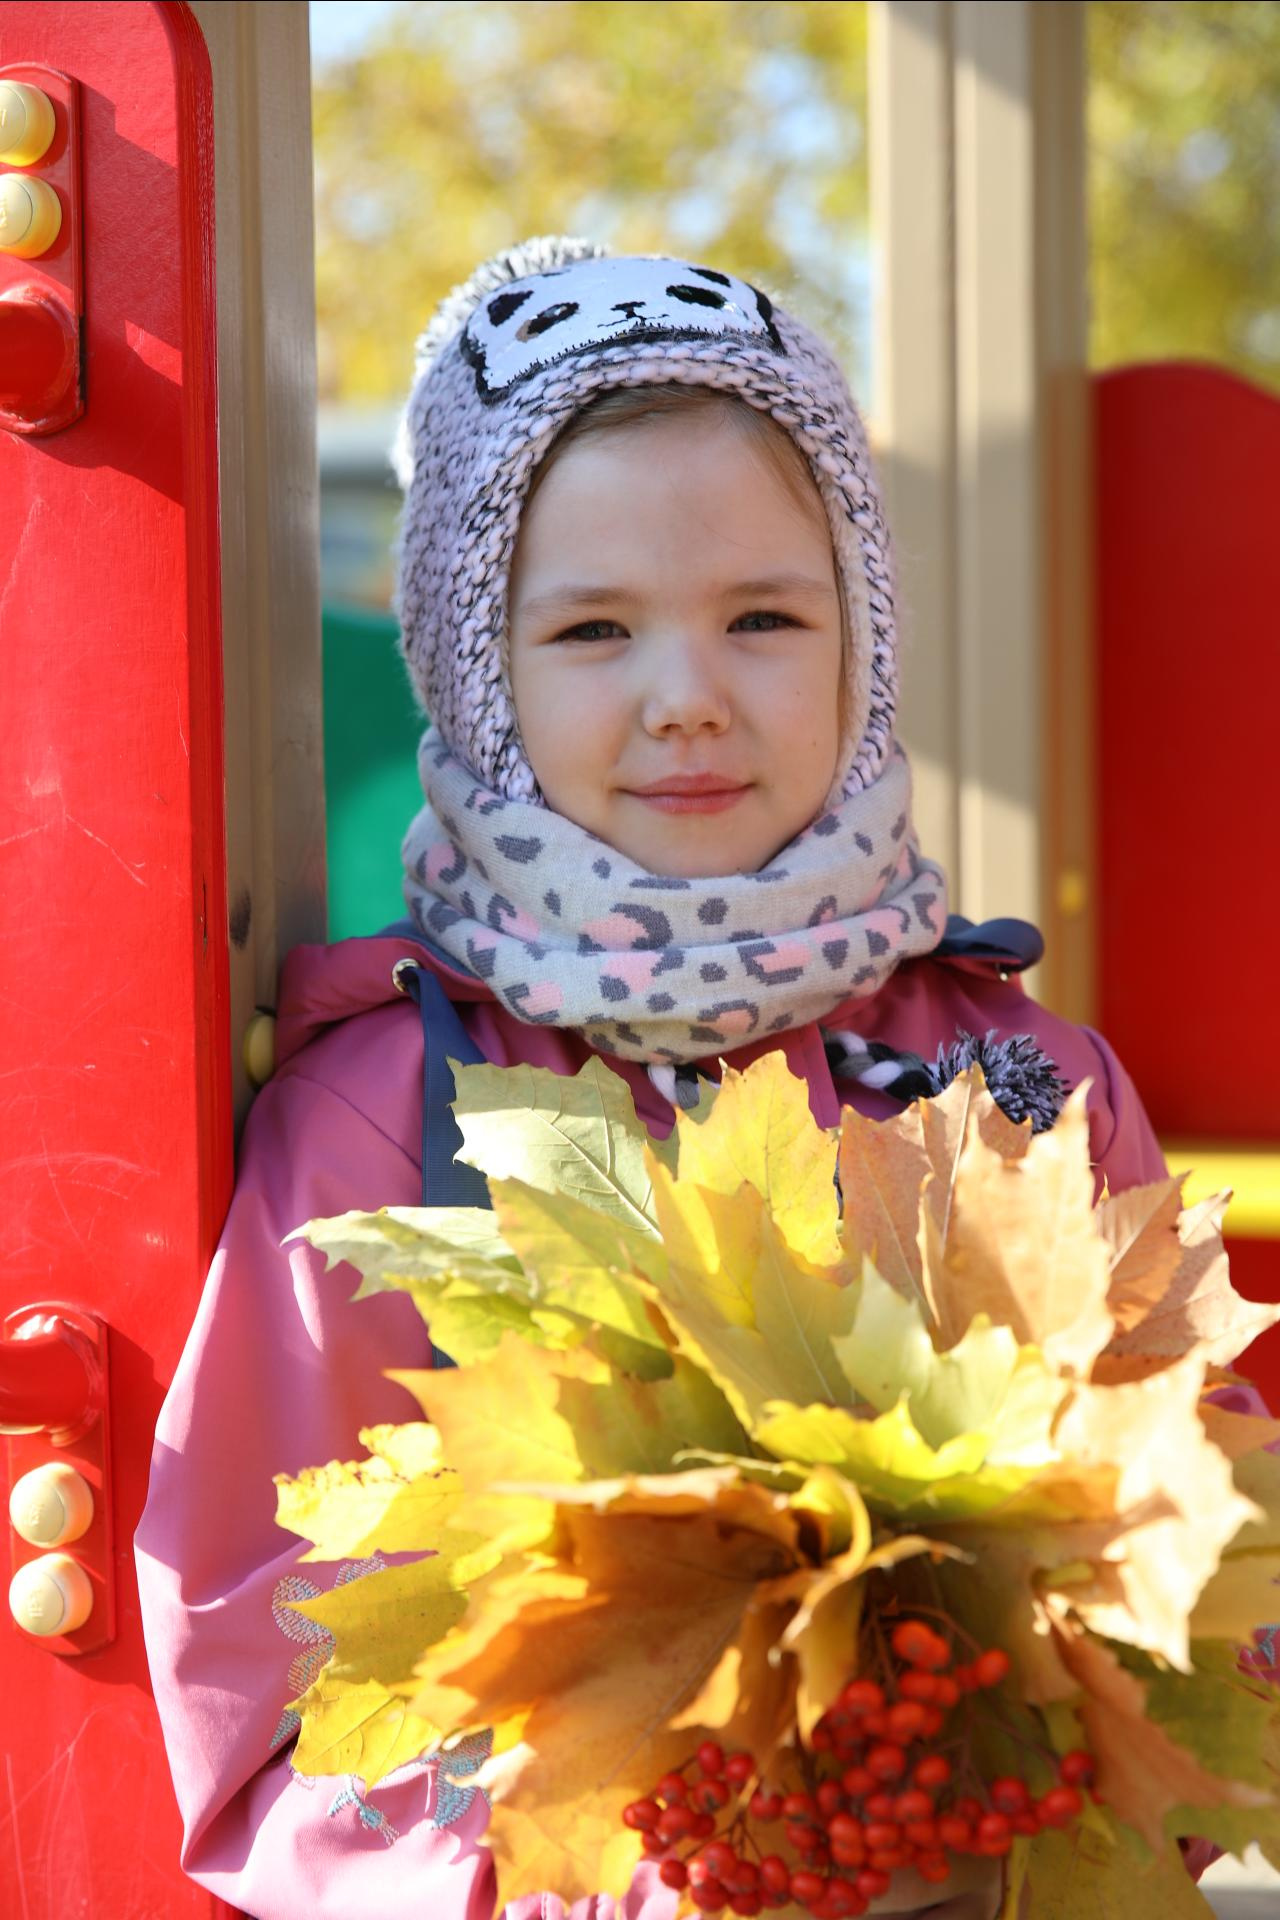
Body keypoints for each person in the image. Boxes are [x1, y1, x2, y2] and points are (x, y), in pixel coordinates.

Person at [135, 238, 1172, 1920]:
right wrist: (569, 1882)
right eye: (594, 628)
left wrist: (1051, 1775)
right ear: (478, 671)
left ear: (863, 643)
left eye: (764, 615)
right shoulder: (384, 1126)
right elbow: (257, 1664)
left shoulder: (1024, 1085)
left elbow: (1207, 1544)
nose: (686, 698)